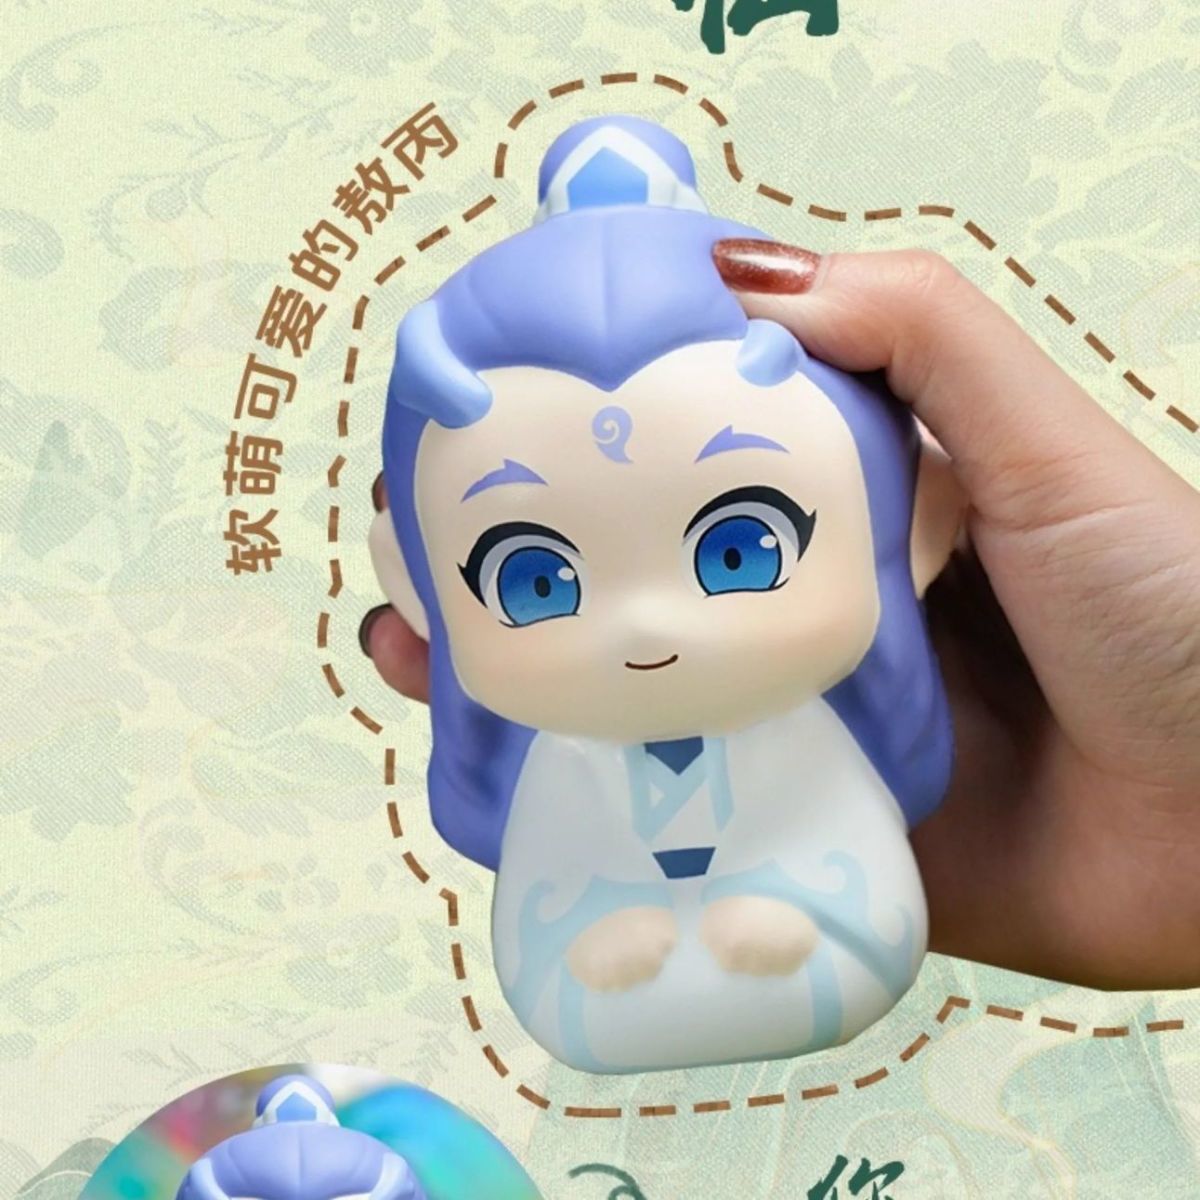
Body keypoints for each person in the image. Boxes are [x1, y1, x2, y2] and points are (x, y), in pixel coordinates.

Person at [364, 123, 1200, 1020]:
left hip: (818, 933)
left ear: (919, 527)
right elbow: (543, 873)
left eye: (738, 552)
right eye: (535, 582)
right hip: (590, 981)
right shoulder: (552, 765)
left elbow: (854, 857)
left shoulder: (826, 741)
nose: (646, 627)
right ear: (418, 588)